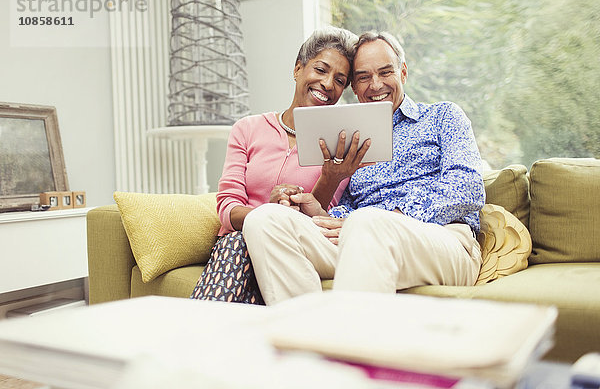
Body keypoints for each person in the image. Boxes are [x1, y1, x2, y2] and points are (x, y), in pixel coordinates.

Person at [242, 31, 485, 305]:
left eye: (385, 72)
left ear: (403, 73)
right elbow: (348, 211)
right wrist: (320, 212)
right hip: (360, 237)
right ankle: (308, 334)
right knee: (265, 219)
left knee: (367, 221)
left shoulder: (443, 116)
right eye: (363, 77)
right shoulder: (348, 136)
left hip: (442, 241)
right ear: (354, 88)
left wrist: (393, 216)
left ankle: (349, 344)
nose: (376, 84)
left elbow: (468, 189)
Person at [190, 27, 369, 304]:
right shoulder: (247, 129)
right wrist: (267, 212)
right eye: (320, 69)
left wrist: (330, 178)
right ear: (298, 68)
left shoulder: (340, 142)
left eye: (339, 80)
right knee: (239, 246)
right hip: (238, 243)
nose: (328, 84)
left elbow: (319, 224)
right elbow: (227, 208)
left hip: (291, 246)